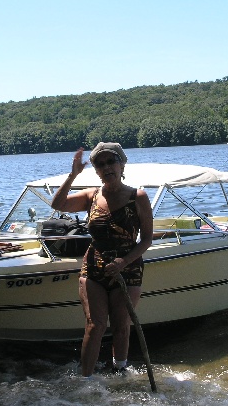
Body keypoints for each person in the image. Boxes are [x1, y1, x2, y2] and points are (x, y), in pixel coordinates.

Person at [51, 142, 153, 376]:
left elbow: (146, 240)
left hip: (128, 269)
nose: (107, 167)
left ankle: (120, 372)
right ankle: (86, 381)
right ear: (95, 169)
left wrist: (123, 262)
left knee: (121, 326)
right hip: (94, 268)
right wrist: (73, 174)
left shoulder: (138, 197)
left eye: (111, 161)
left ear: (122, 164)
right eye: (100, 163)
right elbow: (58, 205)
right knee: (94, 325)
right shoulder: (91, 196)